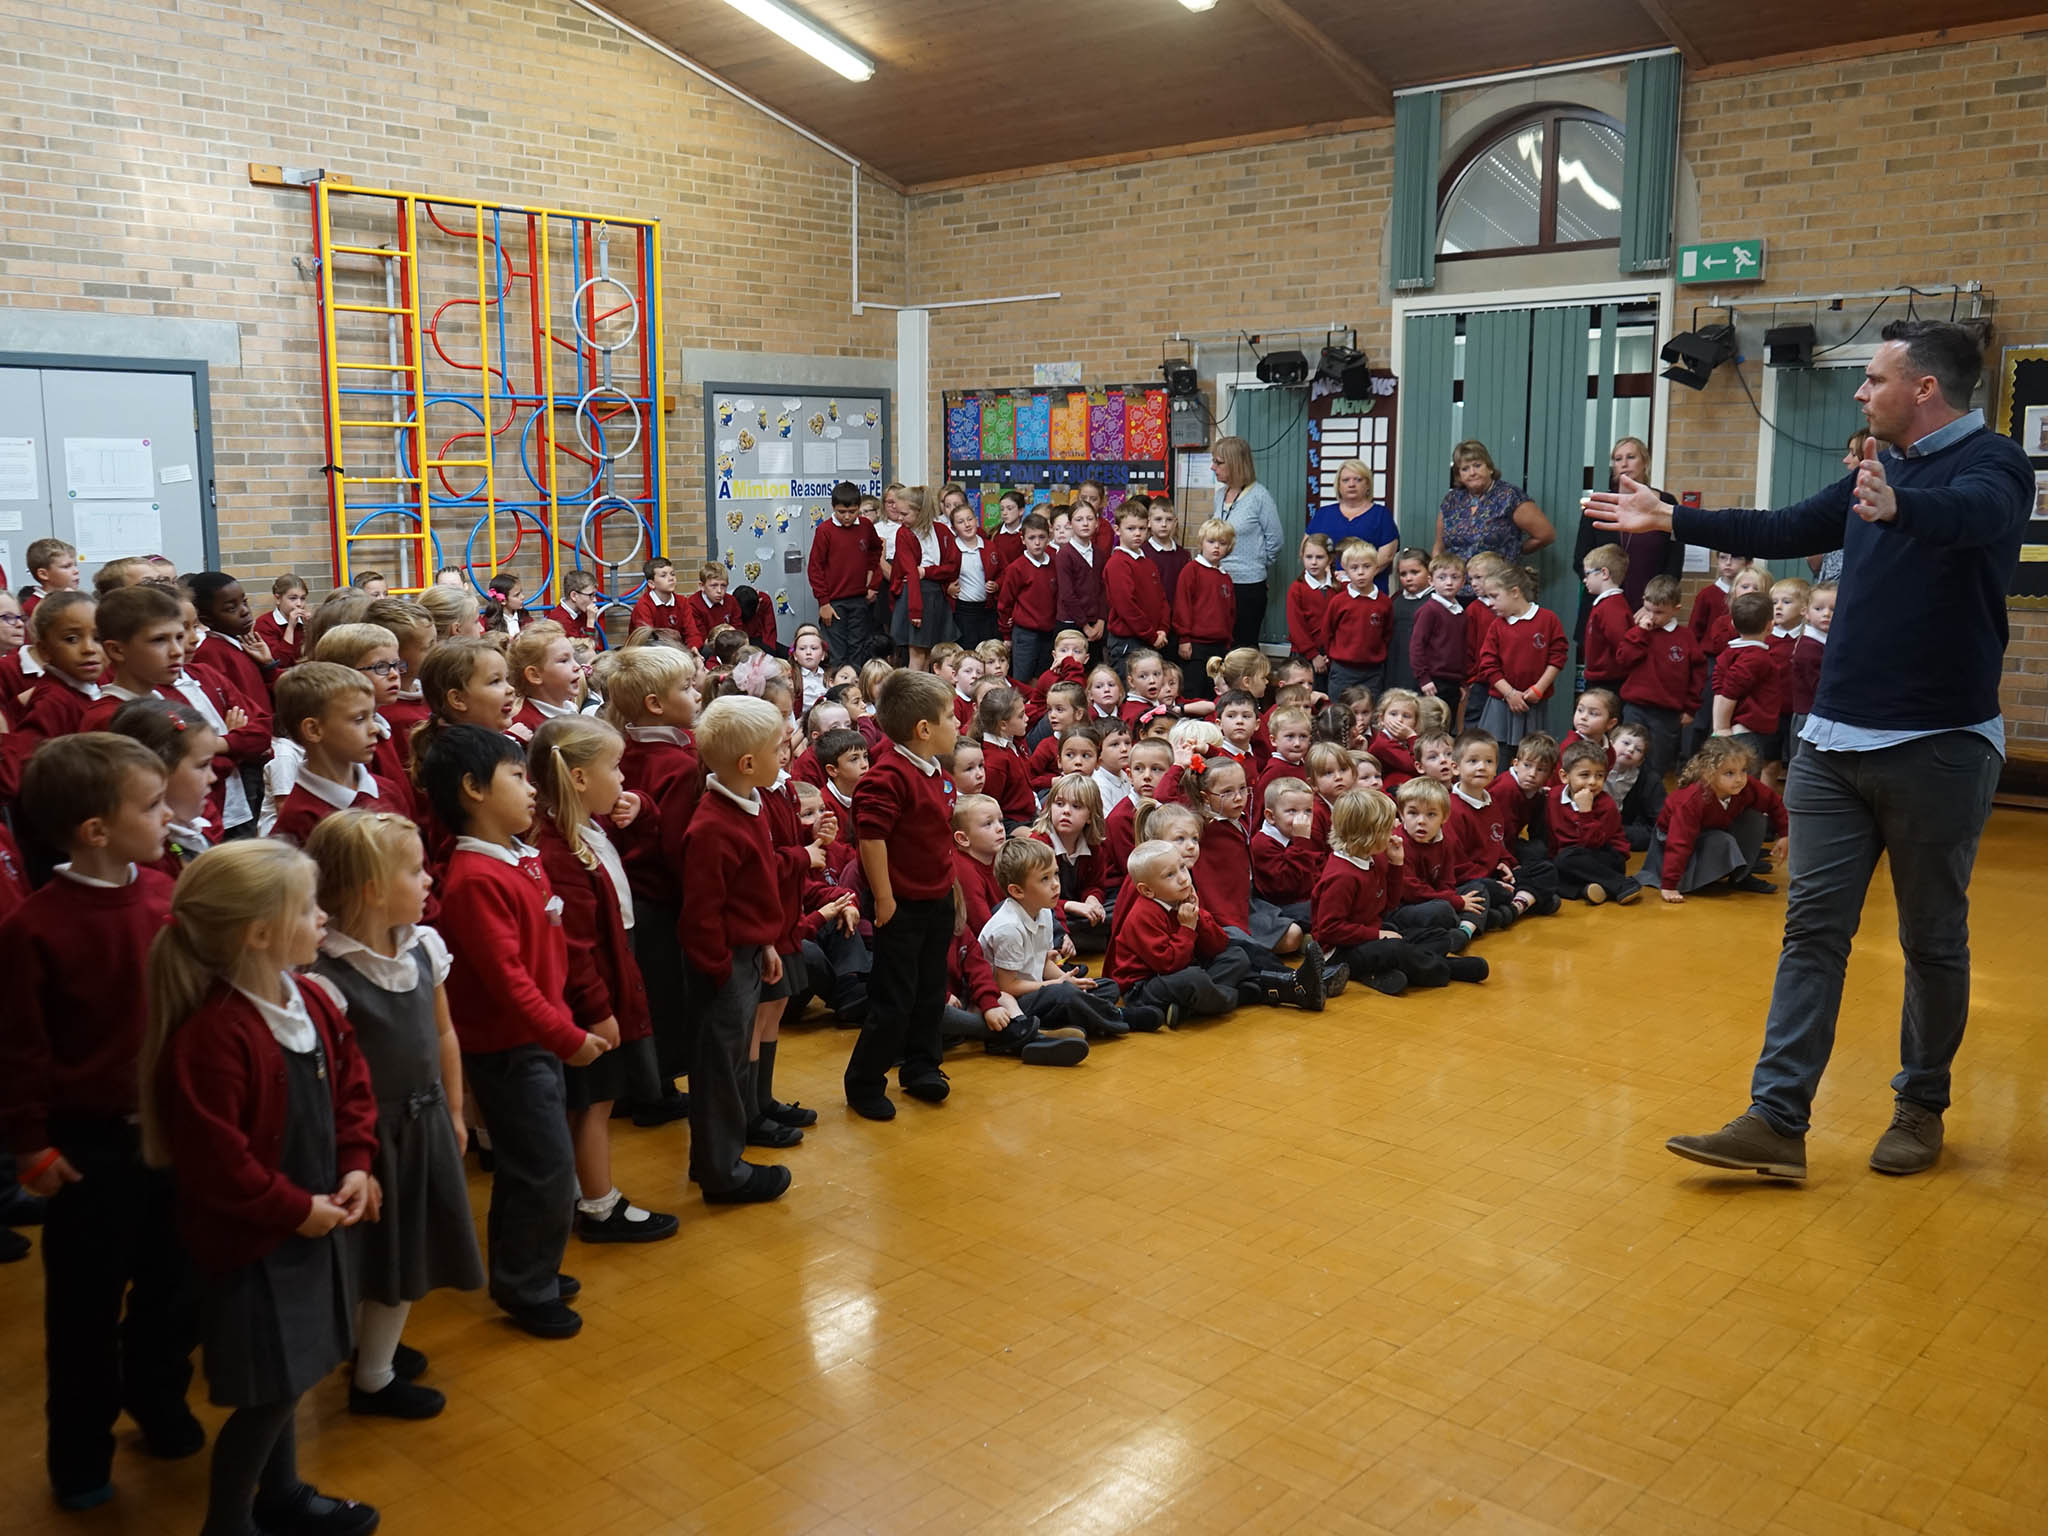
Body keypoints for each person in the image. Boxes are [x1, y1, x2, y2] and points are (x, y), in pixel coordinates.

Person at [1590, 320, 2030, 1180]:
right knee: (1811, 933)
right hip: (1832, 744)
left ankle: (1920, 1105)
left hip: (1937, 744)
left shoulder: (1995, 465)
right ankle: (1777, 1120)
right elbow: (1785, 525)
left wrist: (1903, 506)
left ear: (1925, 389)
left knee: (1932, 939)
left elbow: (1975, 516)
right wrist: (1673, 515)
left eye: (1873, 379)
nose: (1862, 393)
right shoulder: (1877, 465)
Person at [144, 839, 384, 1536]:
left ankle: (281, 1495)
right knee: (268, 1393)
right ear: (257, 932)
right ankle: (228, 1522)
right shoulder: (214, 1037)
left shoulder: (309, 994)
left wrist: (358, 1162)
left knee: (294, 1372)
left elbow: (353, 1088)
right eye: (307, 910)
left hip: (312, 1224)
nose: (321, 919)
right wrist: (293, 1210)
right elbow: (218, 1162)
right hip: (256, 1245)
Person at [0, 734, 195, 1512]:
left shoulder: (165, 893)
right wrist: (30, 1142)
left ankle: (160, 1402)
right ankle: (78, 1454)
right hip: (88, 1146)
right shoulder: (35, 927)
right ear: (94, 831)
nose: (166, 816)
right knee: (83, 1309)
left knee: (171, 1289)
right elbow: (20, 1046)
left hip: (172, 1132)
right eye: (149, 806)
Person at [421, 724, 609, 1338]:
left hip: (533, 1039)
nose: (533, 791)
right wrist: (565, 1036)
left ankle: (527, 1267)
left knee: (533, 1164)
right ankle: (527, 1287)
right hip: (511, 1047)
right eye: (518, 778)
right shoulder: (475, 879)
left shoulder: (518, 857)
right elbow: (509, 981)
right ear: (473, 789)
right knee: (545, 1168)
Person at [304, 811, 485, 1421]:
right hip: (367, 1139)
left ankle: (375, 1353)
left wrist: (455, 1110)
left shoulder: (423, 949)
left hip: (425, 1121)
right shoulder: (325, 978)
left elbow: (445, 1033)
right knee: (377, 1256)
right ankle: (372, 1377)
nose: (429, 878)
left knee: (409, 1252)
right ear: (371, 890)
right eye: (414, 871)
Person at [526, 717, 678, 1240]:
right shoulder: (558, 850)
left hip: (616, 968)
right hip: (595, 992)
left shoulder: (588, 827)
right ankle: (599, 1205)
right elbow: (577, 946)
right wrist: (598, 1010)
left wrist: (642, 811)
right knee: (595, 1099)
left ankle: (576, 1188)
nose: (623, 778)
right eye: (613, 768)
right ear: (579, 779)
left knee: (592, 1097)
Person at [843, 670, 963, 1120]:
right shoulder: (888, 775)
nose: (959, 724)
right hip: (903, 905)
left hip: (934, 898)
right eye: (951, 716)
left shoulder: (931, 770)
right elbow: (871, 839)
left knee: (931, 989)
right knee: (894, 996)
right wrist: (885, 898)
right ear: (924, 730)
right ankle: (865, 1081)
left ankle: (922, 1065)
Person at [1312, 788, 1485, 995]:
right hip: (1339, 952)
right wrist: (1377, 934)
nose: (1394, 831)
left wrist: (1396, 864)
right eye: (1387, 829)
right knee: (1394, 948)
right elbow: (1329, 930)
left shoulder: (1374, 857)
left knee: (1437, 935)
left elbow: (1389, 904)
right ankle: (1445, 968)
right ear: (1368, 834)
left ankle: (1386, 972)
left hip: (1370, 934)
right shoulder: (1342, 876)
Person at [268, 663, 410, 846]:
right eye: (359, 719)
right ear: (313, 729)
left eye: (372, 716)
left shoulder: (388, 790)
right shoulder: (299, 819)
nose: (374, 728)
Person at [1569, 437, 1683, 648]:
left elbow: (1674, 564)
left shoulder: (1665, 503)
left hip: (1650, 610)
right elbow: (1580, 559)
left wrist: (1653, 604)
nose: (1624, 463)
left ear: (1645, 462)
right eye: (1618, 458)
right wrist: (1608, 598)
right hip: (1604, 607)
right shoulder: (1598, 505)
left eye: (1631, 457)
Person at [1642, 737, 1787, 900]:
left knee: (1755, 818)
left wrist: (1784, 834)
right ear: (1708, 773)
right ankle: (1701, 876)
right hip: (1673, 843)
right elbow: (1679, 842)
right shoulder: (1691, 800)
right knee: (1723, 840)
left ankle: (1741, 877)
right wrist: (1669, 885)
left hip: (1712, 832)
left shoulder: (1745, 786)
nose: (1739, 779)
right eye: (1729, 773)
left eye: (1743, 770)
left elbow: (1773, 801)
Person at [1433, 440, 1555, 574]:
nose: (1472, 472)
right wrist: (1438, 575)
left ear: (1490, 468)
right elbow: (1439, 547)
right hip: (1454, 586)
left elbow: (1545, 535)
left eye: (1477, 465)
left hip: (1497, 584)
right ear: (1459, 475)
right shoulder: (1451, 500)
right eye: (1465, 469)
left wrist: (1514, 551)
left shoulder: (1510, 496)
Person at [1548, 739, 1643, 905]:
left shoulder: (1606, 805)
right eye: (1585, 775)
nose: (1592, 782)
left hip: (1606, 858)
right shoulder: (1553, 798)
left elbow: (1594, 843)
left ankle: (1623, 884)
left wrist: (1586, 812)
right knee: (1546, 872)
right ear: (1564, 776)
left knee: (1565, 859)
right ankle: (1588, 889)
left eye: (1599, 776)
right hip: (1572, 861)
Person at [1210, 435, 1284, 647]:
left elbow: (1275, 541)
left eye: (1218, 462)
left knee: (1243, 646)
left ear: (1234, 463)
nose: (1213, 467)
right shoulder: (1220, 495)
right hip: (1219, 581)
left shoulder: (1260, 496)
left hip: (1248, 586)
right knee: (1220, 644)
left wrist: (1257, 565)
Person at [810, 481, 881, 670]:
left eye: (853, 511)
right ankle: (838, 692)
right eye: (842, 512)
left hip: (860, 599)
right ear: (833, 508)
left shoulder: (865, 525)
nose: (847, 517)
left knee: (859, 650)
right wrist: (823, 603)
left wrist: (872, 576)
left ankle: (856, 693)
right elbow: (815, 568)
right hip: (834, 602)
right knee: (836, 653)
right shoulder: (825, 530)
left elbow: (876, 548)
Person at [1305, 459, 1399, 588]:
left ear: (1368, 485)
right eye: (1345, 480)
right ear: (1338, 485)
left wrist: (1352, 575)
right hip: (1327, 588)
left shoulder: (1381, 515)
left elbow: (1386, 556)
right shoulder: (1323, 514)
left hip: (1369, 591)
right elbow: (1306, 549)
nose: (1351, 484)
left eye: (1358, 480)